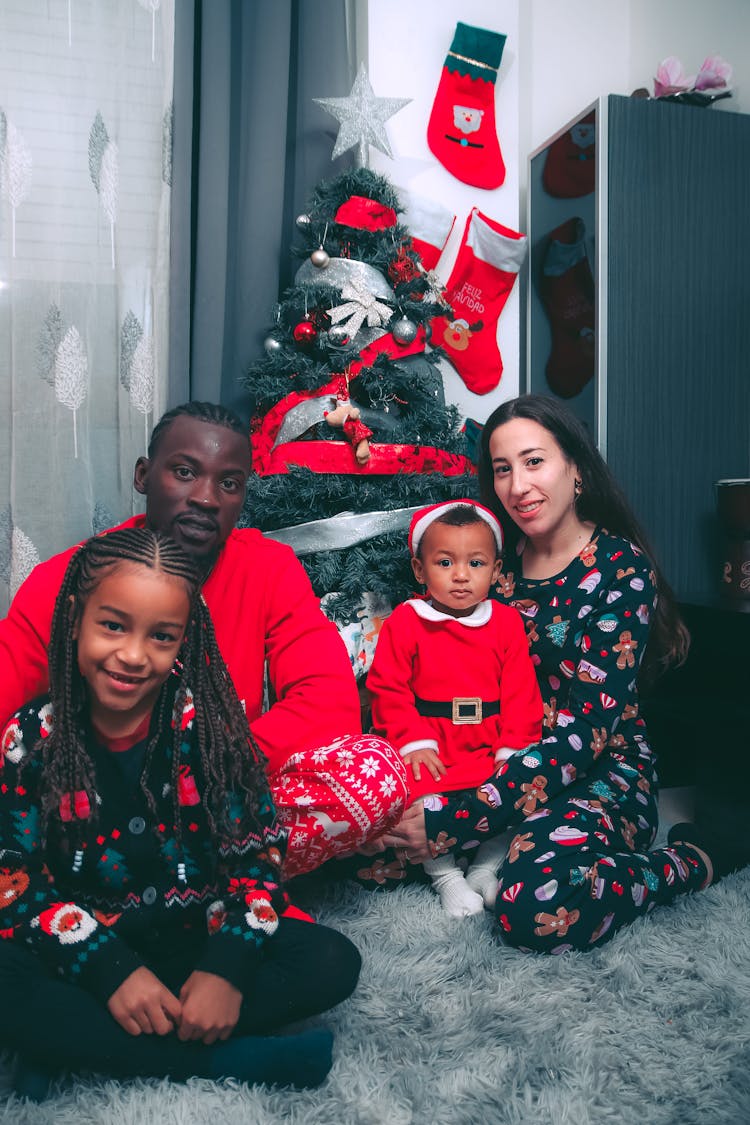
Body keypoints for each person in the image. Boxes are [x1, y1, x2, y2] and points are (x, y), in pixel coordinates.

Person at [379, 394, 749, 951]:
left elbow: (585, 735)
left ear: (575, 467)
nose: (518, 485)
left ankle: (689, 861)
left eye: (534, 461)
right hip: (487, 760)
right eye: (502, 469)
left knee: (536, 904)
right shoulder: (490, 568)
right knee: (371, 848)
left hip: (595, 771)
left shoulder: (620, 568)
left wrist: (455, 819)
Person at [0, 528, 361, 1096]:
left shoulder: (211, 734)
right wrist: (108, 969)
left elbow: (258, 863)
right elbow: (15, 883)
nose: (133, 655)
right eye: (113, 626)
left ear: (184, 641)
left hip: (192, 944)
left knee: (331, 960)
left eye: (161, 636)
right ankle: (224, 1061)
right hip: (83, 954)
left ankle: (69, 1043)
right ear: (74, 620)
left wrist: (227, 970)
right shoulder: (31, 740)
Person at [0, 402, 408, 878]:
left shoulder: (267, 568)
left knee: (374, 772)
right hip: (97, 813)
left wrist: (203, 770)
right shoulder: (69, 579)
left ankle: (191, 890)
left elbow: (329, 701)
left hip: (214, 801)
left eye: (228, 483)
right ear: (143, 476)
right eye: (185, 472)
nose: (207, 498)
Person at [367, 500, 542, 917]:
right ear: (419, 569)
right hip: (432, 743)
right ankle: (446, 878)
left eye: (476, 564)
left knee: (511, 793)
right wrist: (412, 742)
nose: (461, 575)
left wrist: (511, 750)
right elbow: (387, 688)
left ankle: (486, 867)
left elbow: (521, 692)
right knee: (416, 799)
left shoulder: (505, 623)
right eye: (445, 562)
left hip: (488, 741)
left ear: (496, 571)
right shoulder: (406, 622)